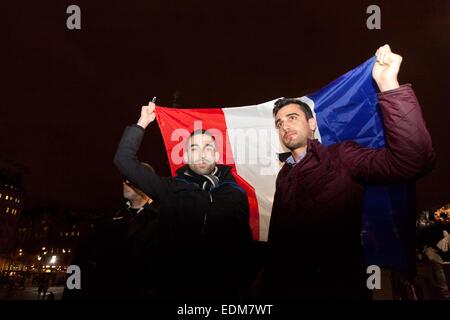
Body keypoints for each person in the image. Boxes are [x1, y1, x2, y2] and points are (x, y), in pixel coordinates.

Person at [263, 45, 436, 299]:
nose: (284, 126)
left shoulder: (341, 156)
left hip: (339, 287)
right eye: (279, 123)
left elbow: (413, 160)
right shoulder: (284, 175)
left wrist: (389, 85)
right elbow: (278, 237)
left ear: (312, 124)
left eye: (292, 118)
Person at [114, 111, 255, 299]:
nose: (202, 154)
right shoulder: (170, 189)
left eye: (208, 148)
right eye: (195, 149)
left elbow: (243, 245)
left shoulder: (235, 193)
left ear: (217, 155)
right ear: (186, 157)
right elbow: (123, 160)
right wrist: (143, 122)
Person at [63, 177, 159, 299]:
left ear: (148, 183)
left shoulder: (164, 218)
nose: (124, 183)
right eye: (125, 179)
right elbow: (80, 259)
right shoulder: (107, 216)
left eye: (131, 178)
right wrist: (71, 292)